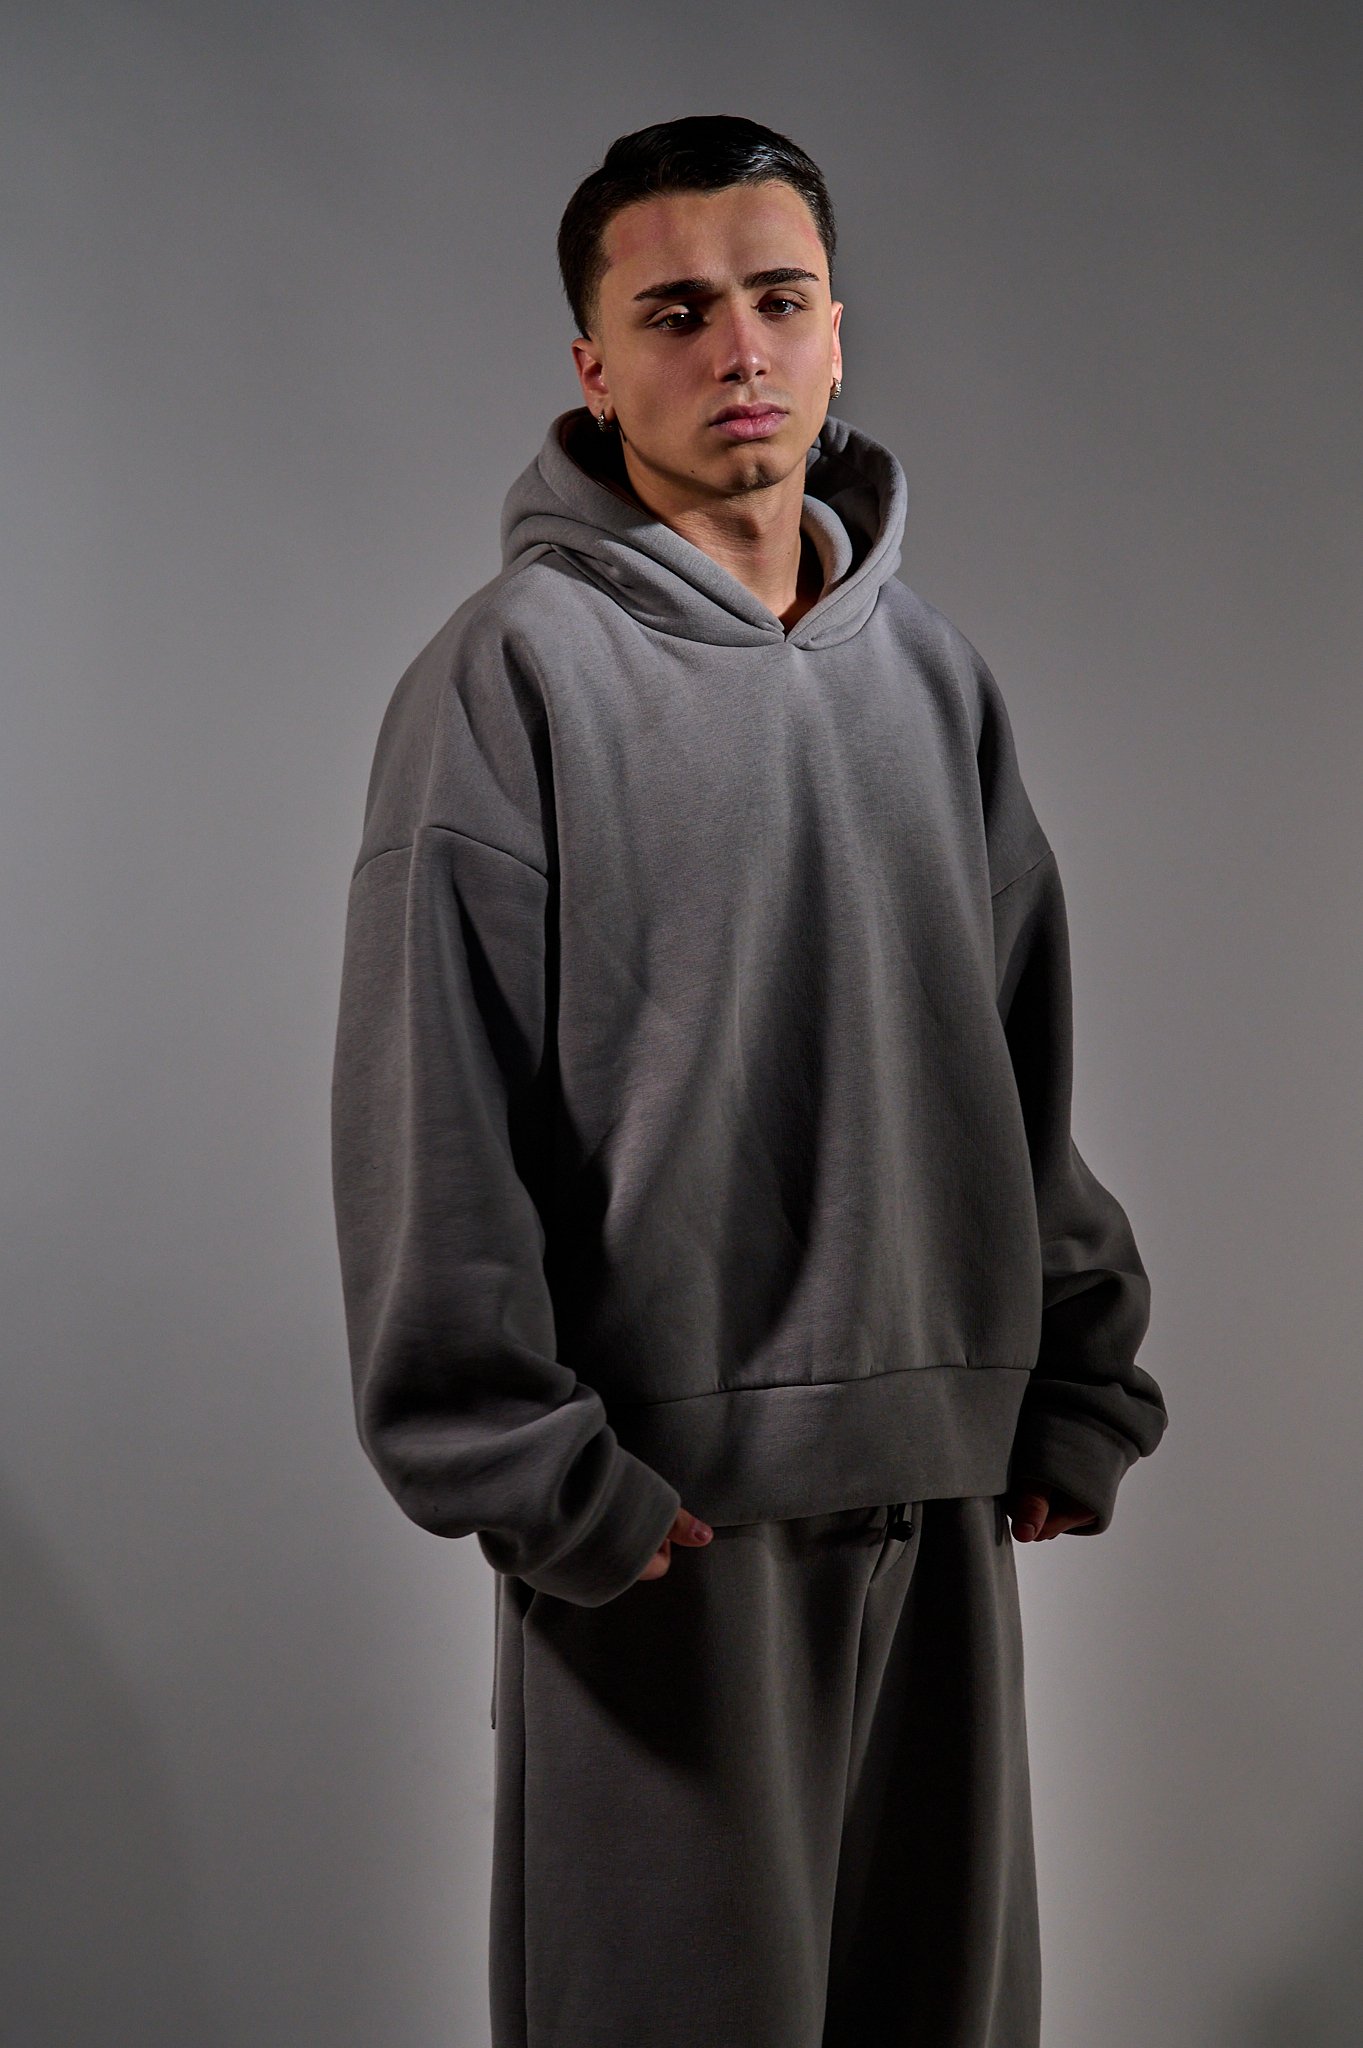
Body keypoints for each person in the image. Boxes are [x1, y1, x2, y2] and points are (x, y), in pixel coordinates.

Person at [329, 112, 1169, 2048]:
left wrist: (1072, 1374)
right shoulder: (510, 679)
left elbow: (1013, 1056)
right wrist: (534, 1472)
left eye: (779, 300)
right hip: (666, 1529)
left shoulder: (933, 680)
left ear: (837, 332)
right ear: (594, 365)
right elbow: (430, 1104)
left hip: (942, 1497)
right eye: (678, 311)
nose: (739, 349)